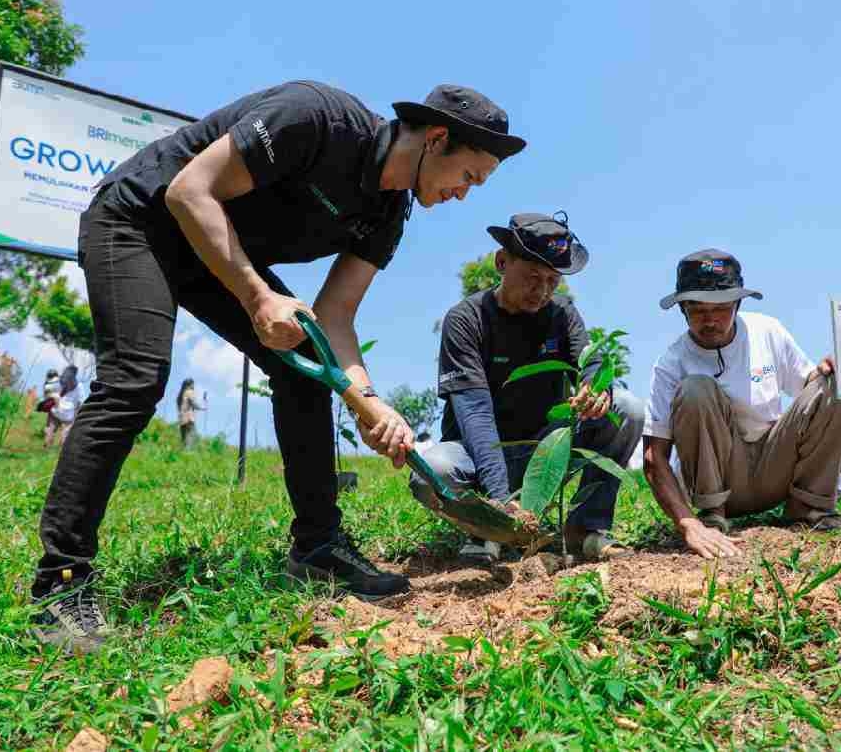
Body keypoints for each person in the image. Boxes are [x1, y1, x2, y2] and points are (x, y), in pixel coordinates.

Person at [30, 81, 527, 653]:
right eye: (469, 176)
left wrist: (369, 404)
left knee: (303, 366)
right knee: (135, 379)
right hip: (139, 220)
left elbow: (335, 317)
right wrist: (257, 296)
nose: (466, 194)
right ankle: (61, 583)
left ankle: (318, 550)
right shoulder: (316, 119)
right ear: (437, 139)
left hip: (211, 254)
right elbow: (189, 192)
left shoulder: (387, 213)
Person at [410, 213, 644, 563]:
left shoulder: (563, 313)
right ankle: (487, 530)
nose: (543, 291)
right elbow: (474, 413)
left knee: (625, 408)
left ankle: (585, 530)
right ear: (502, 263)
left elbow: (590, 361)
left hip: (545, 450)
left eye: (553, 280)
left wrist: (595, 388)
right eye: (533, 277)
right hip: (478, 455)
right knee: (432, 473)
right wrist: (500, 499)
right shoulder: (465, 320)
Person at [641, 250, 841, 560]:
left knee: (837, 382)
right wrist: (687, 524)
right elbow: (653, 457)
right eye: (698, 310)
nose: (711, 320)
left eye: (721, 308)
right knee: (695, 389)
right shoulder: (671, 363)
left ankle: (808, 508)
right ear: (683, 309)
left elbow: (811, 387)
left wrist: (830, 370)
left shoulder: (767, 331)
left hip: (774, 466)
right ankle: (713, 515)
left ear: (738, 304)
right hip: (719, 480)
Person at [44, 366, 84, 448]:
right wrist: (75, 418)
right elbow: (80, 404)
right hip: (65, 414)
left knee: (51, 433)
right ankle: (54, 454)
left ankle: (46, 451)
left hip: (58, 413)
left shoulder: (59, 381)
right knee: (62, 437)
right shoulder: (79, 386)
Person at [176, 378, 204, 449]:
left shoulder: (181, 395)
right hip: (189, 419)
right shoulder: (189, 392)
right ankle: (188, 455)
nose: (194, 386)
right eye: (193, 384)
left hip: (182, 420)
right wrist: (202, 408)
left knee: (184, 440)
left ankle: (183, 455)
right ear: (190, 384)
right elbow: (193, 403)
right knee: (191, 439)